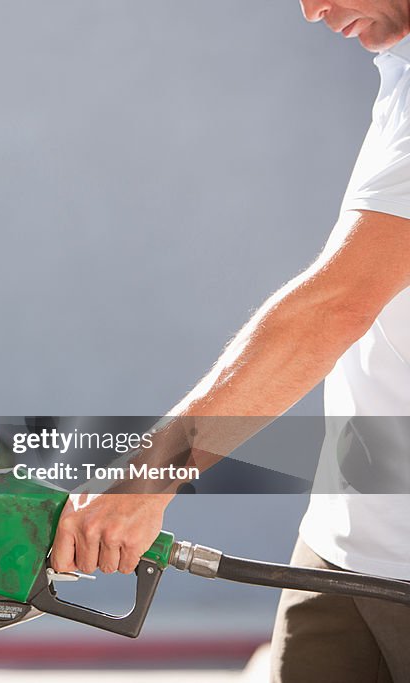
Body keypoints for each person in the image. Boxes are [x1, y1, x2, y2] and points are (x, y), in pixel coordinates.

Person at [49, 2, 410, 680]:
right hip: (342, 550)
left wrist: (146, 476)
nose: (311, 10)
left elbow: (333, 307)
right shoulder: (399, 70)